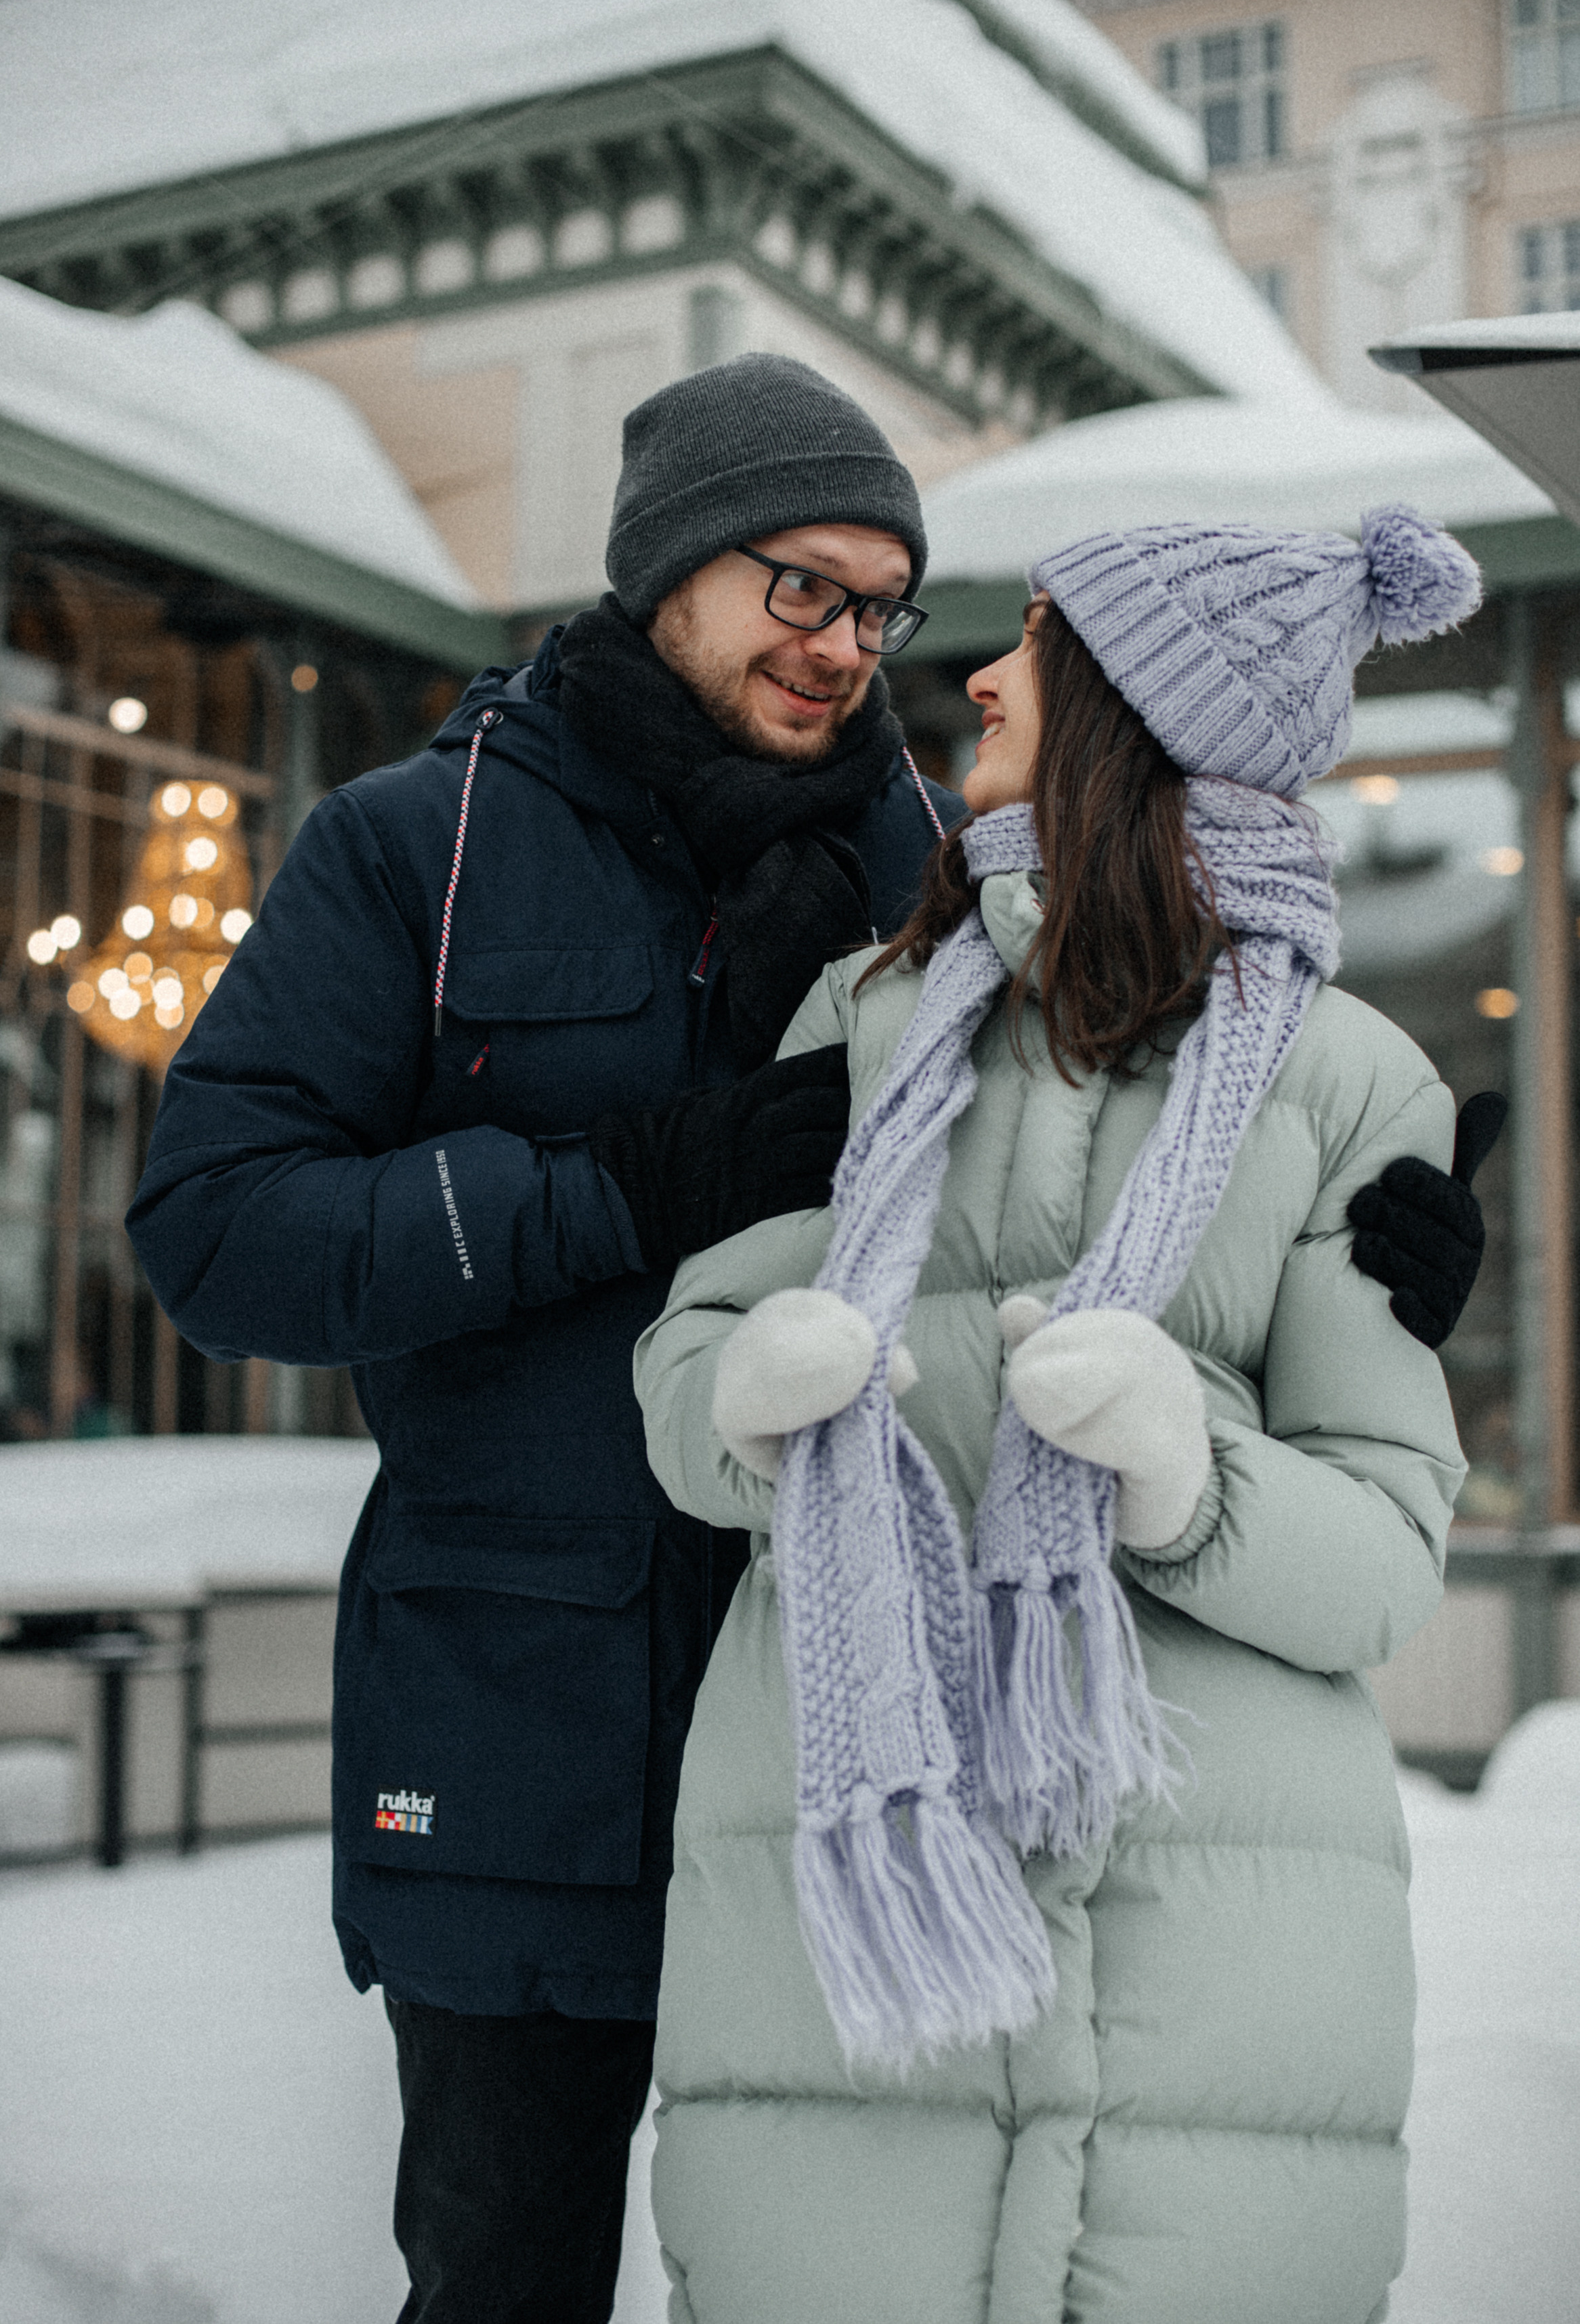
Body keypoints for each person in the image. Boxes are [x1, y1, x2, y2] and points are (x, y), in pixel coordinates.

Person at [126, 353, 964, 2324]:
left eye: (881, 600)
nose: (846, 643)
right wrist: (608, 1188)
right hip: (517, 1726)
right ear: (670, 571)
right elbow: (212, 1228)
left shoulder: (927, 872)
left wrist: (1353, 1235)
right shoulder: (413, 846)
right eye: (802, 586)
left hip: (841, 1729)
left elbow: (1072, 1184)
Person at [633, 507, 1499, 2324]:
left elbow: (1383, 1562)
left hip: (1213, 1995)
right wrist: (741, 1396)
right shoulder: (863, 1018)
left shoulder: (1355, 1082)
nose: (978, 672)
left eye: (1033, 635)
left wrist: (1193, 1474)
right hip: (842, 1971)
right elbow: (689, 1377)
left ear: (1134, 702)